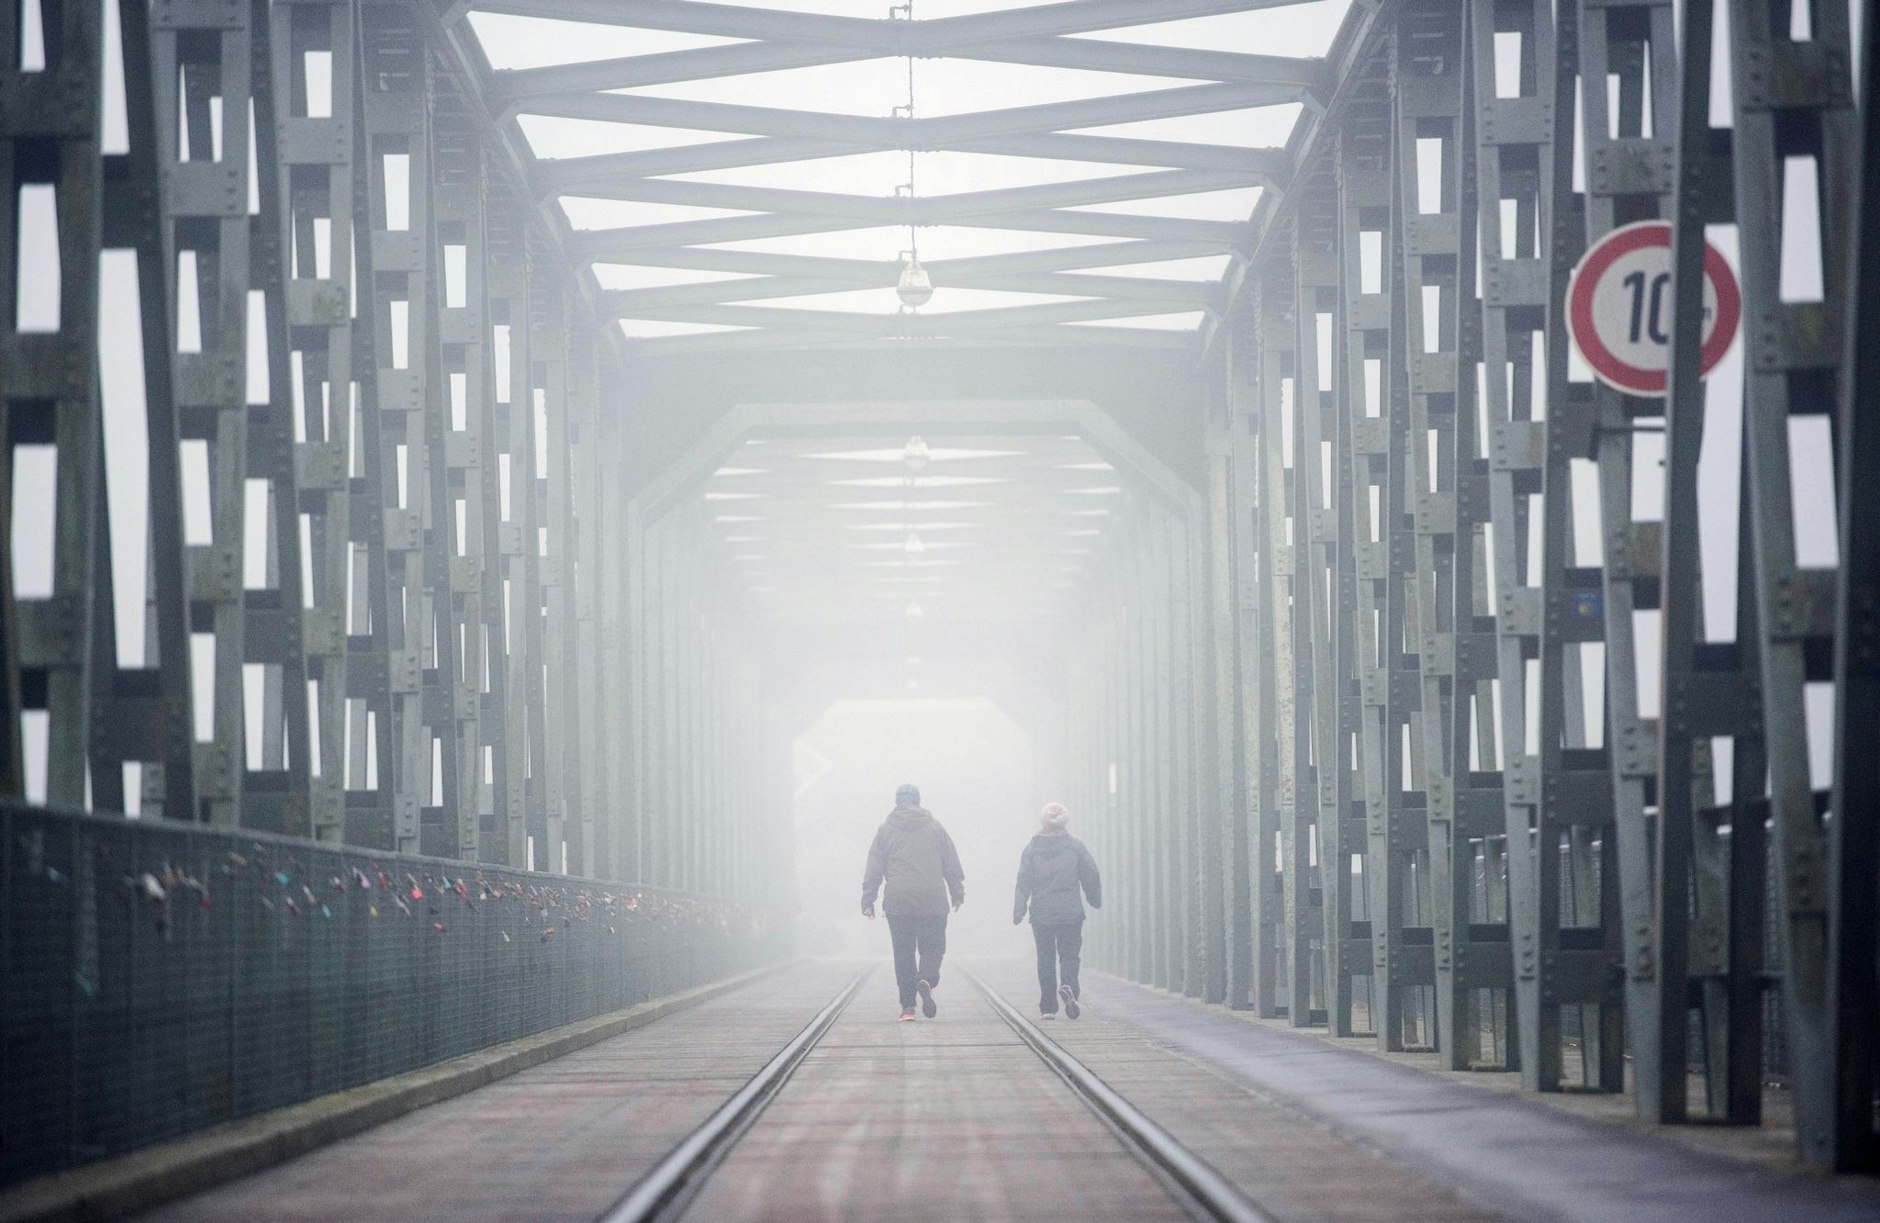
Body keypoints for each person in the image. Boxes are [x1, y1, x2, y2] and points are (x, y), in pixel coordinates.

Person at [861, 783, 965, 1021]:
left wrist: (868, 899)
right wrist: (957, 891)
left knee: (903, 953)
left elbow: (874, 868)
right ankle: (926, 978)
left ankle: (908, 1008)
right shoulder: (935, 827)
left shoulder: (885, 830)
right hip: (932, 898)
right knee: (934, 946)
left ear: (896, 802)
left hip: (898, 900)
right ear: (919, 800)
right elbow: (951, 862)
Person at [1012, 801, 1101, 1020]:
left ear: (1043, 822)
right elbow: (1091, 873)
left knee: (1045, 958)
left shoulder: (1032, 849)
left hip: (1042, 913)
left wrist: (1019, 908)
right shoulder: (1075, 847)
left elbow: (1023, 881)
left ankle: (1049, 1007)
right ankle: (1069, 987)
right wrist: (1094, 898)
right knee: (1070, 955)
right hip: (1070, 912)